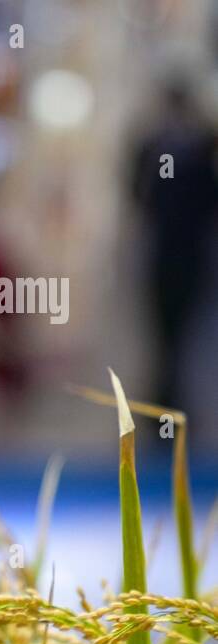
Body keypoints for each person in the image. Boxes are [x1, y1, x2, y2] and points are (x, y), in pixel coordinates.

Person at [130, 76, 218, 410]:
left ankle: (168, 397)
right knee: (170, 337)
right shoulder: (164, 146)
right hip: (177, 254)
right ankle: (167, 398)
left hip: (177, 254)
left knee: (174, 337)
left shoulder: (179, 147)